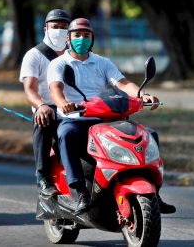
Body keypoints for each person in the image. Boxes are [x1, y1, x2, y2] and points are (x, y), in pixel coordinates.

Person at [47, 18, 176, 214]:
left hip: (105, 118)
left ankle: (154, 193)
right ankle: (79, 191)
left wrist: (143, 95)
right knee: (66, 134)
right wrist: (63, 104)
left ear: (92, 39)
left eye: (86, 35)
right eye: (77, 35)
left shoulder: (102, 62)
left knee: (149, 135)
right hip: (76, 119)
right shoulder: (59, 63)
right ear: (68, 39)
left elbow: (123, 84)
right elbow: (56, 89)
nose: (82, 39)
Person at [19, 9, 71, 196]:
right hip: (48, 108)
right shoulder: (34, 55)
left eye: (64, 27)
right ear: (45, 29)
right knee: (43, 120)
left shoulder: (76, 55)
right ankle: (42, 176)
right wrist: (40, 105)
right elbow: (30, 89)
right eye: (55, 27)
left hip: (73, 108)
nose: (59, 30)